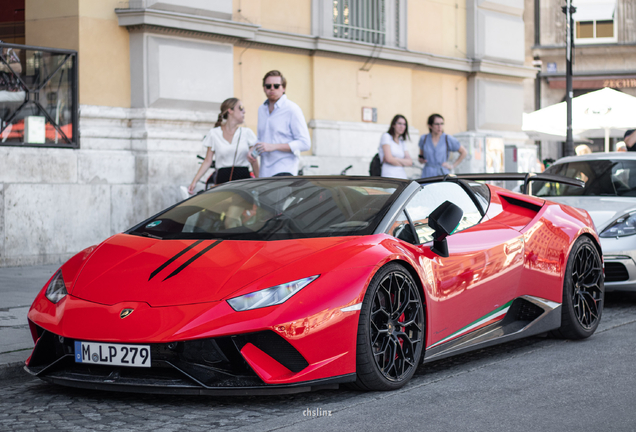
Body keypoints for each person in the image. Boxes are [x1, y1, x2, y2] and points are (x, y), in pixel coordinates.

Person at [188, 97, 259, 194]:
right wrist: (194, 181)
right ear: (230, 111)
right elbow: (208, 161)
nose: (244, 111)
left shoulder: (247, 133)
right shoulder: (214, 133)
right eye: (241, 108)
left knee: (235, 209)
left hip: (243, 180)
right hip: (222, 179)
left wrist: (260, 181)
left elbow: (254, 161)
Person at [248, 70, 311, 177]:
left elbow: (305, 143)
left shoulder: (292, 109)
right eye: (268, 86)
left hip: (284, 168)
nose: (272, 88)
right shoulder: (261, 109)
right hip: (265, 171)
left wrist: (274, 146)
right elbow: (261, 138)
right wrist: (253, 150)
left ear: (284, 88)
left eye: (276, 86)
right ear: (264, 88)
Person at [418, 114, 467, 178]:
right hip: (427, 174)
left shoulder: (447, 138)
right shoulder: (424, 138)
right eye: (437, 124)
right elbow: (421, 157)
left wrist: (452, 166)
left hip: (442, 174)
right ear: (430, 126)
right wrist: (421, 160)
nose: (440, 126)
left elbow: (464, 152)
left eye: (441, 124)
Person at [378, 114, 412, 179]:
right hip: (389, 175)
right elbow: (389, 159)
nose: (402, 126)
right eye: (399, 123)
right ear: (393, 125)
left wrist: (395, 159)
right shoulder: (386, 136)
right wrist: (404, 162)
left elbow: (410, 162)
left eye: (404, 124)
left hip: (402, 176)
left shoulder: (402, 141)